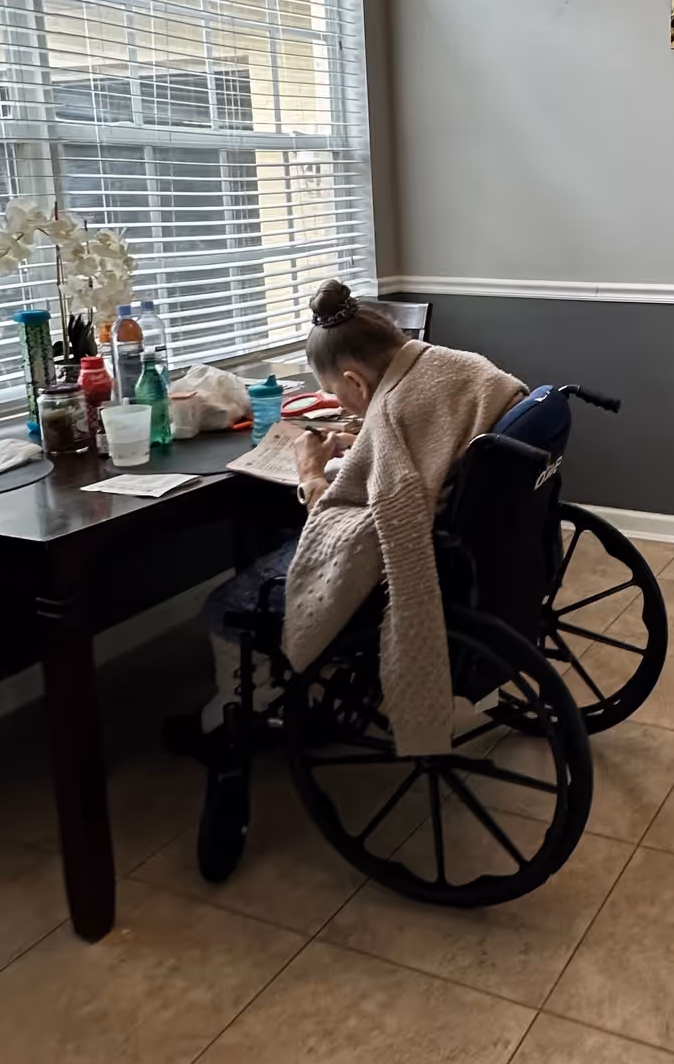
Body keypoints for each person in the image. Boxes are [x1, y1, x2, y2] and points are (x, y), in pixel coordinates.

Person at [180, 282, 524, 747]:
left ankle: (243, 707)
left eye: (333, 392)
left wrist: (310, 473)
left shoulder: (391, 413)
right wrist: (364, 443)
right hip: (486, 540)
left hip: (421, 556)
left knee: (225, 605)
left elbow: (359, 529)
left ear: (356, 382)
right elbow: (427, 434)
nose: (340, 402)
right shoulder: (456, 365)